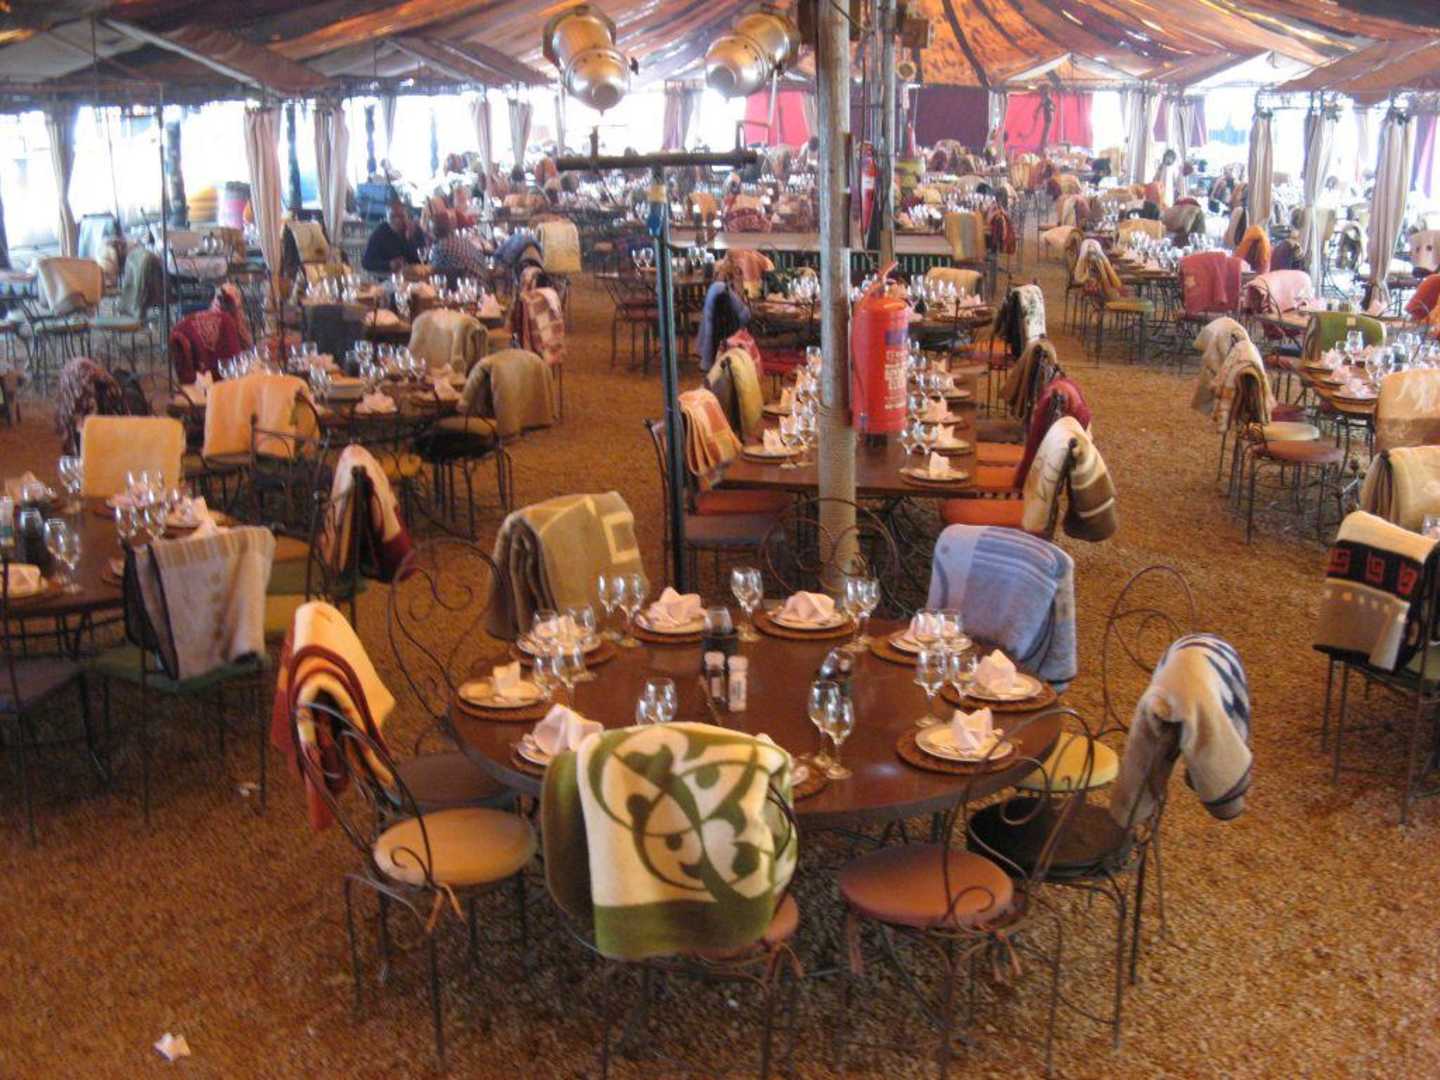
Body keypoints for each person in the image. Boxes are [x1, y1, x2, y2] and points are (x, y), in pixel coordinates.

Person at [696, 263, 750, 373]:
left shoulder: (715, 288)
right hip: (730, 325)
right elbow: (745, 315)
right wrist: (741, 295)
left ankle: (704, 359)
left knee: (706, 318)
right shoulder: (723, 289)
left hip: (717, 328)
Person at [361, 200, 426, 275]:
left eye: (401, 216)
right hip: (388, 277)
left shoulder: (416, 230)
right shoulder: (380, 233)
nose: (397, 220)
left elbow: (423, 260)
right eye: (392, 216)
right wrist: (389, 264)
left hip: (415, 275)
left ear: (407, 217)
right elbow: (366, 263)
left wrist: (410, 240)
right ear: (387, 218)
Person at [427, 209, 489, 281]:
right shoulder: (462, 240)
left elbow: (435, 275)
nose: (428, 232)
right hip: (484, 283)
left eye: (430, 229)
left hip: (469, 285)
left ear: (434, 232)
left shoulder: (440, 248)